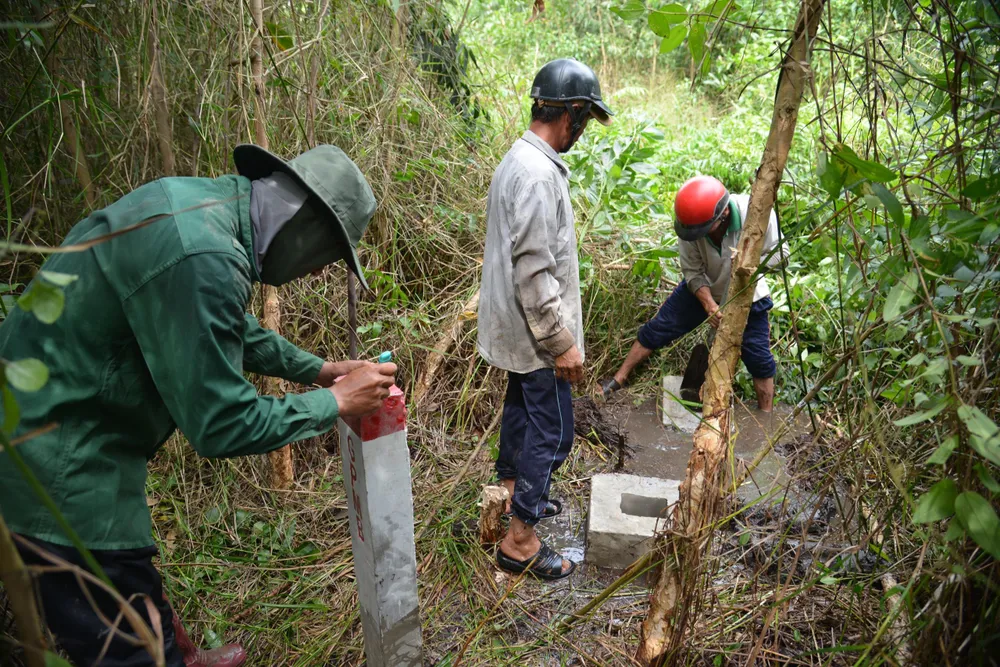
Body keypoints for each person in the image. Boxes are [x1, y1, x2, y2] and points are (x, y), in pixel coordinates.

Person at [0, 144, 397, 666]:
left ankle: (179, 654)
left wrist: (319, 371)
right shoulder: (204, 258)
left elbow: (220, 324)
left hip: (61, 421)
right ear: (306, 228)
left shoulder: (201, 210)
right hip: (57, 461)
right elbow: (222, 425)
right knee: (126, 640)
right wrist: (333, 401)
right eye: (327, 256)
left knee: (134, 583)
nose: (315, 270)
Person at [478, 58, 612, 580]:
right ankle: (520, 540)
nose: (582, 132)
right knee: (554, 434)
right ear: (571, 114)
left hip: (515, 329)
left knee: (521, 415)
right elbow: (534, 273)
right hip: (535, 333)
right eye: (584, 120)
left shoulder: (519, 159)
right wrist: (562, 342)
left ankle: (512, 495)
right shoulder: (536, 176)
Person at [601, 175, 788, 411]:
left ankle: (766, 417)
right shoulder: (690, 226)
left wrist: (749, 264)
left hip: (749, 297)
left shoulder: (756, 215)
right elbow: (693, 271)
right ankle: (618, 379)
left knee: (759, 360)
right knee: (659, 328)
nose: (697, 236)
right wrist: (709, 305)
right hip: (703, 289)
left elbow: (783, 256)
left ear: (723, 216)